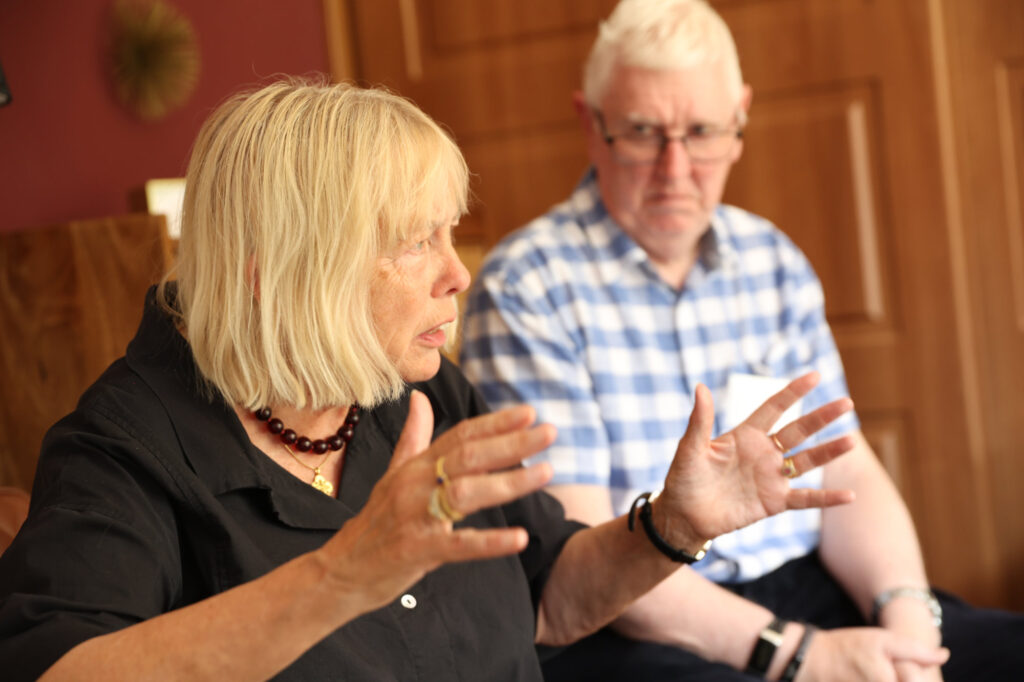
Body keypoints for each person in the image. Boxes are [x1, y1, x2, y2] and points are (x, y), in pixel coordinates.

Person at [0, 79, 863, 681]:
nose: (458, 275)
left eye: (450, 235)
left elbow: (550, 600)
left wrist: (672, 526)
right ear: (283, 272)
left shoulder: (420, 391)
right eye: (416, 242)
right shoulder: (124, 450)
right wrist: (342, 577)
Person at [460, 1, 1024, 680]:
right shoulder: (527, 284)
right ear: (591, 124)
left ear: (739, 123)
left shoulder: (772, 260)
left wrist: (910, 629)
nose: (675, 169)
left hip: (801, 582)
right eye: (642, 132)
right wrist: (803, 656)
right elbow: (581, 554)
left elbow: (844, 467)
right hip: (638, 617)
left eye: (702, 131)